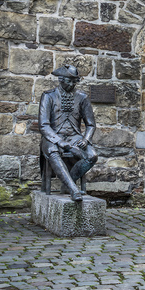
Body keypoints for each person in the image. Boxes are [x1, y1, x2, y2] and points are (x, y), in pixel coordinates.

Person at [38, 65, 97, 201]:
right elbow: (44, 125)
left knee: (92, 156)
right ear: (60, 80)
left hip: (74, 137)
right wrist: (60, 141)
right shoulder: (48, 96)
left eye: (74, 81)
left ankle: (67, 183)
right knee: (53, 151)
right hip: (52, 137)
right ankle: (73, 188)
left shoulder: (82, 97)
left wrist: (86, 140)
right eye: (68, 81)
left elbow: (91, 125)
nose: (71, 84)